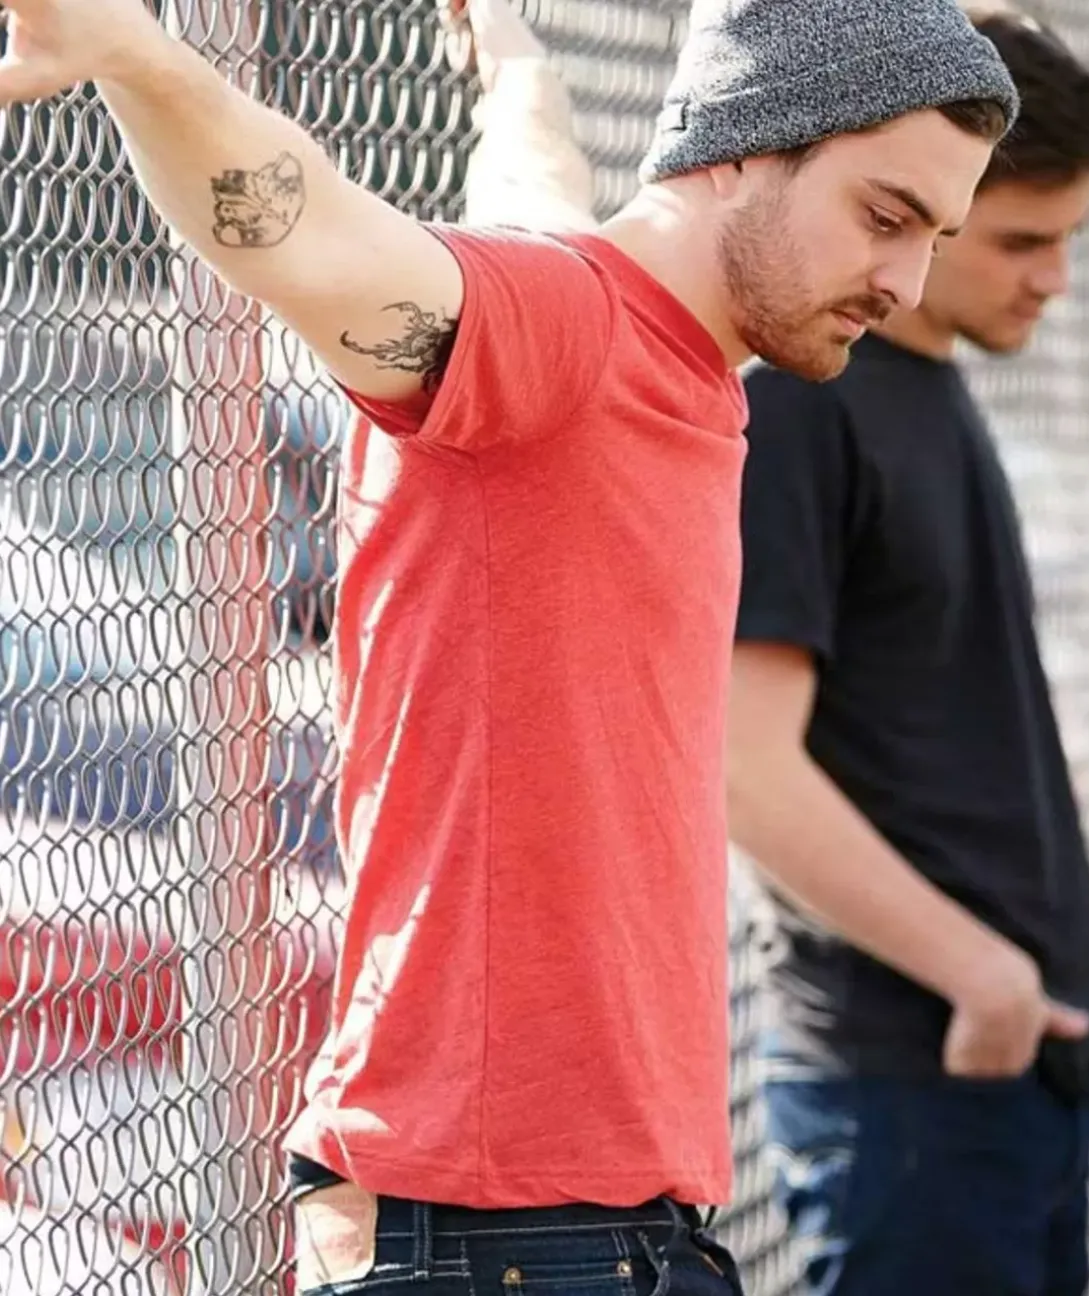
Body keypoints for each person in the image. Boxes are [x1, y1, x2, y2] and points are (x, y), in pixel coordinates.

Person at [0, 2, 1018, 1294]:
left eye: (934, 237)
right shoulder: (565, 324)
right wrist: (133, 54)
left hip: (591, 1223)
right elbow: (306, 235)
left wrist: (520, 75)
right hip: (498, 1233)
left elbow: (536, 186)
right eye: (883, 215)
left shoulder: (639, 346)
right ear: (743, 150)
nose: (907, 283)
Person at [724, 9, 1089, 1295]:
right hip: (909, 1084)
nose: (1054, 281)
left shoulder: (927, 382)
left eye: (1071, 241)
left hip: (1007, 1074)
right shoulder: (801, 405)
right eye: (1022, 242)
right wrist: (980, 975)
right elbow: (741, 767)